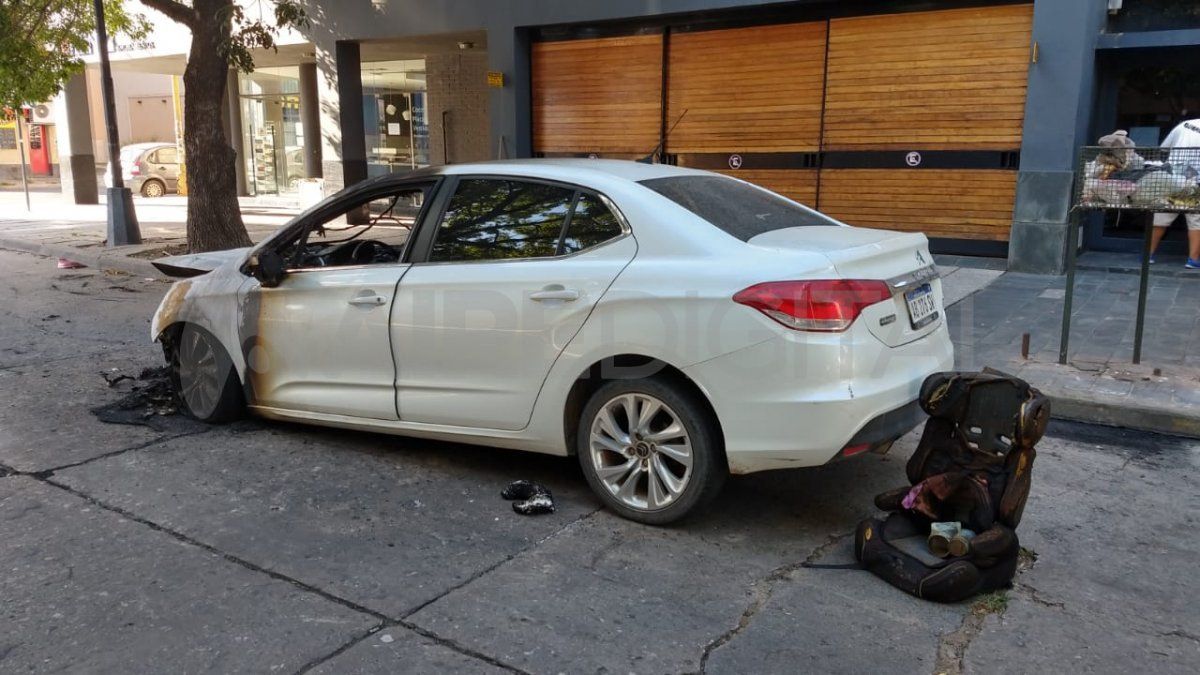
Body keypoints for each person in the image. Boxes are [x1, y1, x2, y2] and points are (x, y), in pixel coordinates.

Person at [1147, 118, 1200, 267]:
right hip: (1194, 180)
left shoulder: (1185, 124)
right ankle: (1193, 260)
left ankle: (1148, 255)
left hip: (1173, 176)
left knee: (1161, 216)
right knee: (1196, 221)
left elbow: (1164, 148)